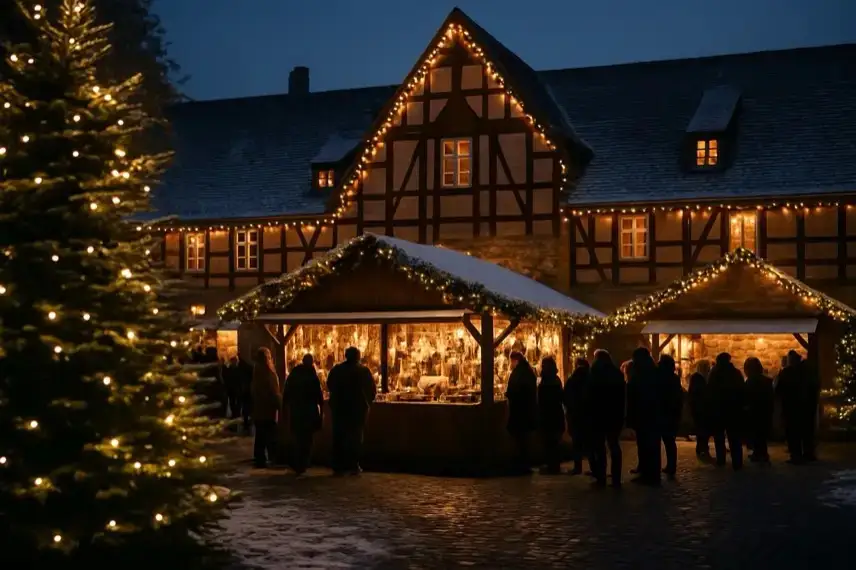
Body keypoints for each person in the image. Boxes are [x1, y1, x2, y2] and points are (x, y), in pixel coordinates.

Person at [327, 347, 376, 475]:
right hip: (357, 409)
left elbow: (329, 385)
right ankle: (353, 464)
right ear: (358, 357)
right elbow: (372, 390)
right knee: (355, 437)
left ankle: (338, 466)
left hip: (340, 408)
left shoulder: (337, 370)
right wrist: (367, 404)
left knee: (339, 436)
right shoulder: (363, 371)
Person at [588, 350, 626, 488]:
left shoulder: (594, 373)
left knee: (599, 447)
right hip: (614, 415)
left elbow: (589, 395)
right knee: (614, 445)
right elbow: (622, 397)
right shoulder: (616, 374)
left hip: (598, 414)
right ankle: (616, 477)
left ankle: (601, 476)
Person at [283, 354, 325, 475]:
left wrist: (285, 410)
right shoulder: (312, 376)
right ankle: (304, 462)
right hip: (309, 411)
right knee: (307, 438)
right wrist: (321, 412)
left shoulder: (294, 375)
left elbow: (286, 394)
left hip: (296, 410)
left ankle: (298, 462)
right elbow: (319, 396)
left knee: (298, 437)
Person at [627, 347, 661, 485]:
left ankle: (648, 475)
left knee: (645, 445)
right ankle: (652, 473)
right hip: (653, 414)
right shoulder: (654, 372)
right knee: (652, 446)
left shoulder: (639, 374)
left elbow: (633, 395)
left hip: (643, 414)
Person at [776, 350, 818, 464]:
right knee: (806, 431)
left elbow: (779, 389)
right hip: (806, 407)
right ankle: (808, 453)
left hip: (792, 407)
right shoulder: (808, 372)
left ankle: (796, 455)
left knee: (793, 433)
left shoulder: (787, 373)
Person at [707, 352, 745, 470]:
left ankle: (721, 459)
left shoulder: (714, 373)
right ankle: (737, 462)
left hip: (718, 409)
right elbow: (741, 390)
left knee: (719, 436)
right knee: (734, 437)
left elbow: (710, 391)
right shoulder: (736, 373)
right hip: (733, 409)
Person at [505, 351, 538, 474]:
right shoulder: (528, 372)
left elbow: (513, 390)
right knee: (524, 439)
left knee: (520, 439)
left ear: (515, 360)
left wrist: (509, 394)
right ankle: (524, 464)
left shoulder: (519, 373)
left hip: (519, 410)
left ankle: (521, 465)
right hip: (526, 410)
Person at [250, 347, 282, 468]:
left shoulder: (256, 373)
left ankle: (260, 458)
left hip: (259, 409)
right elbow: (274, 392)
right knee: (270, 434)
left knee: (260, 435)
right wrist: (279, 404)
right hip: (268, 410)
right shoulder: (269, 374)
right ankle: (272, 457)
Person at [537, 356, 565, 474]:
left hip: (548, 415)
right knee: (553, 442)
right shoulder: (556, 379)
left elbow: (543, 399)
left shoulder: (545, 381)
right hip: (556, 414)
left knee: (549, 442)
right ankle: (554, 465)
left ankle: (552, 466)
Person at [563, 357, 591, 475]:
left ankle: (577, 466)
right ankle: (595, 467)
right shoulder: (591, 379)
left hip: (575, 415)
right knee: (589, 442)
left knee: (577, 443)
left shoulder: (572, 379)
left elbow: (565, 396)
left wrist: (570, 408)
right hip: (588, 415)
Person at [744, 357, 774, 463]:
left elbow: (746, 396)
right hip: (765, 411)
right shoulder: (767, 381)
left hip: (754, 412)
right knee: (762, 435)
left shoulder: (750, 381)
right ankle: (761, 453)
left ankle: (759, 454)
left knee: (756, 434)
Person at [658, 354, 683, 479]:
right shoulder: (674, 378)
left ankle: (670, 466)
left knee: (667, 440)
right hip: (672, 413)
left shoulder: (661, 378)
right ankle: (671, 465)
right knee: (670, 441)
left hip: (664, 412)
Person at [688, 360, 712, 458]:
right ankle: (703, 448)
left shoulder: (701, 377)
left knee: (702, 430)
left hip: (701, 408)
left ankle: (701, 448)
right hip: (701, 408)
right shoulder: (699, 378)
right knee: (702, 429)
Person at [223, 355, 243, 424]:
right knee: (234, 403)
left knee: (235, 403)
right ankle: (235, 415)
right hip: (234, 389)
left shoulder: (232, 369)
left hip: (234, 389)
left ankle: (235, 415)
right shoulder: (236, 370)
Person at [238, 354, 254, 433]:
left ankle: (246, 424)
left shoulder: (242, 368)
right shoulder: (249, 367)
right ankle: (247, 423)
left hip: (245, 391)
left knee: (245, 409)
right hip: (247, 391)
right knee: (247, 408)